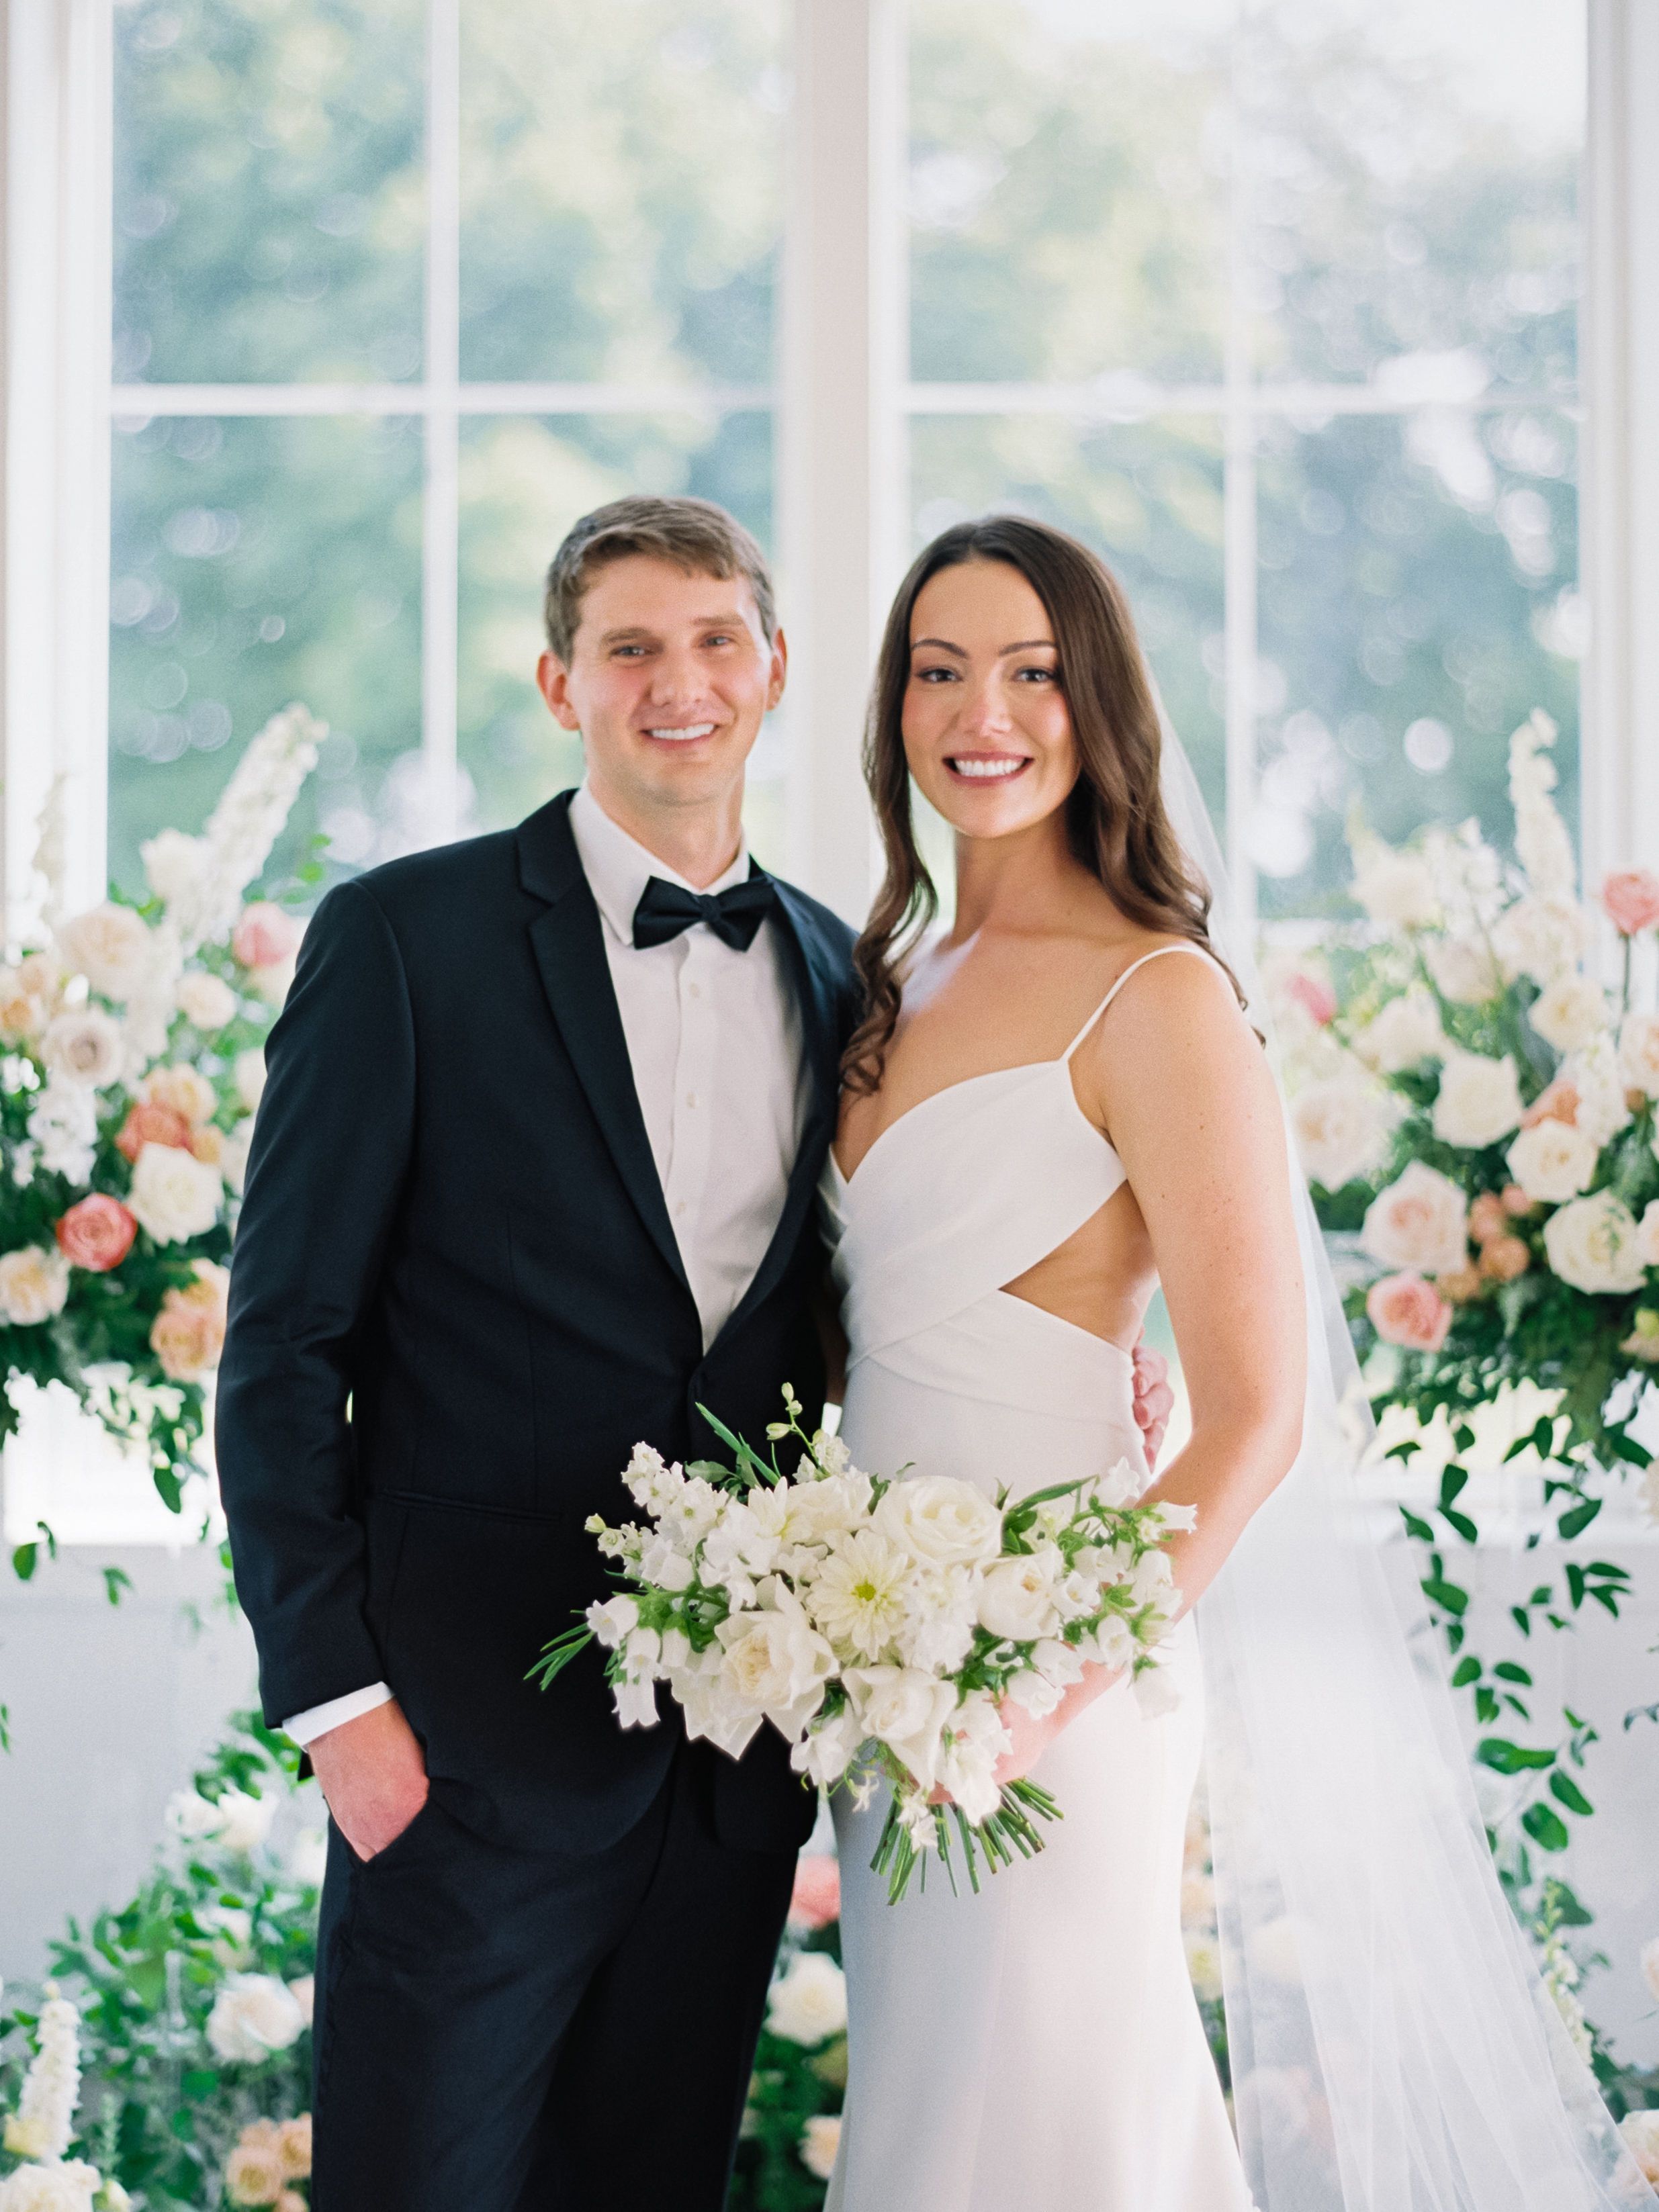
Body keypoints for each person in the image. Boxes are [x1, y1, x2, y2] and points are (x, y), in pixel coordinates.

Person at [820, 516, 1654, 2212]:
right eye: (939, 669)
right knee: (929, 2126)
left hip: (1050, 1686)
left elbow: (1257, 1413)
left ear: (1099, 702)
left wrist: (1025, 1696)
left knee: (1054, 2118)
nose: (983, 711)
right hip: (874, 1681)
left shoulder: (1156, 996)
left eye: (1034, 671)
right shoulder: (879, 987)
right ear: (893, 709)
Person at [216, 495, 860, 2211]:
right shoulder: (404, 941)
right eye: (629, 647)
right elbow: (282, 1341)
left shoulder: (842, 971)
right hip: (457, 1750)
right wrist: (341, 1709)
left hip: (727, 1769)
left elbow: (866, 1313)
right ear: (556, 682)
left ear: (774, 669)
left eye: (715, 640)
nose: (679, 683)